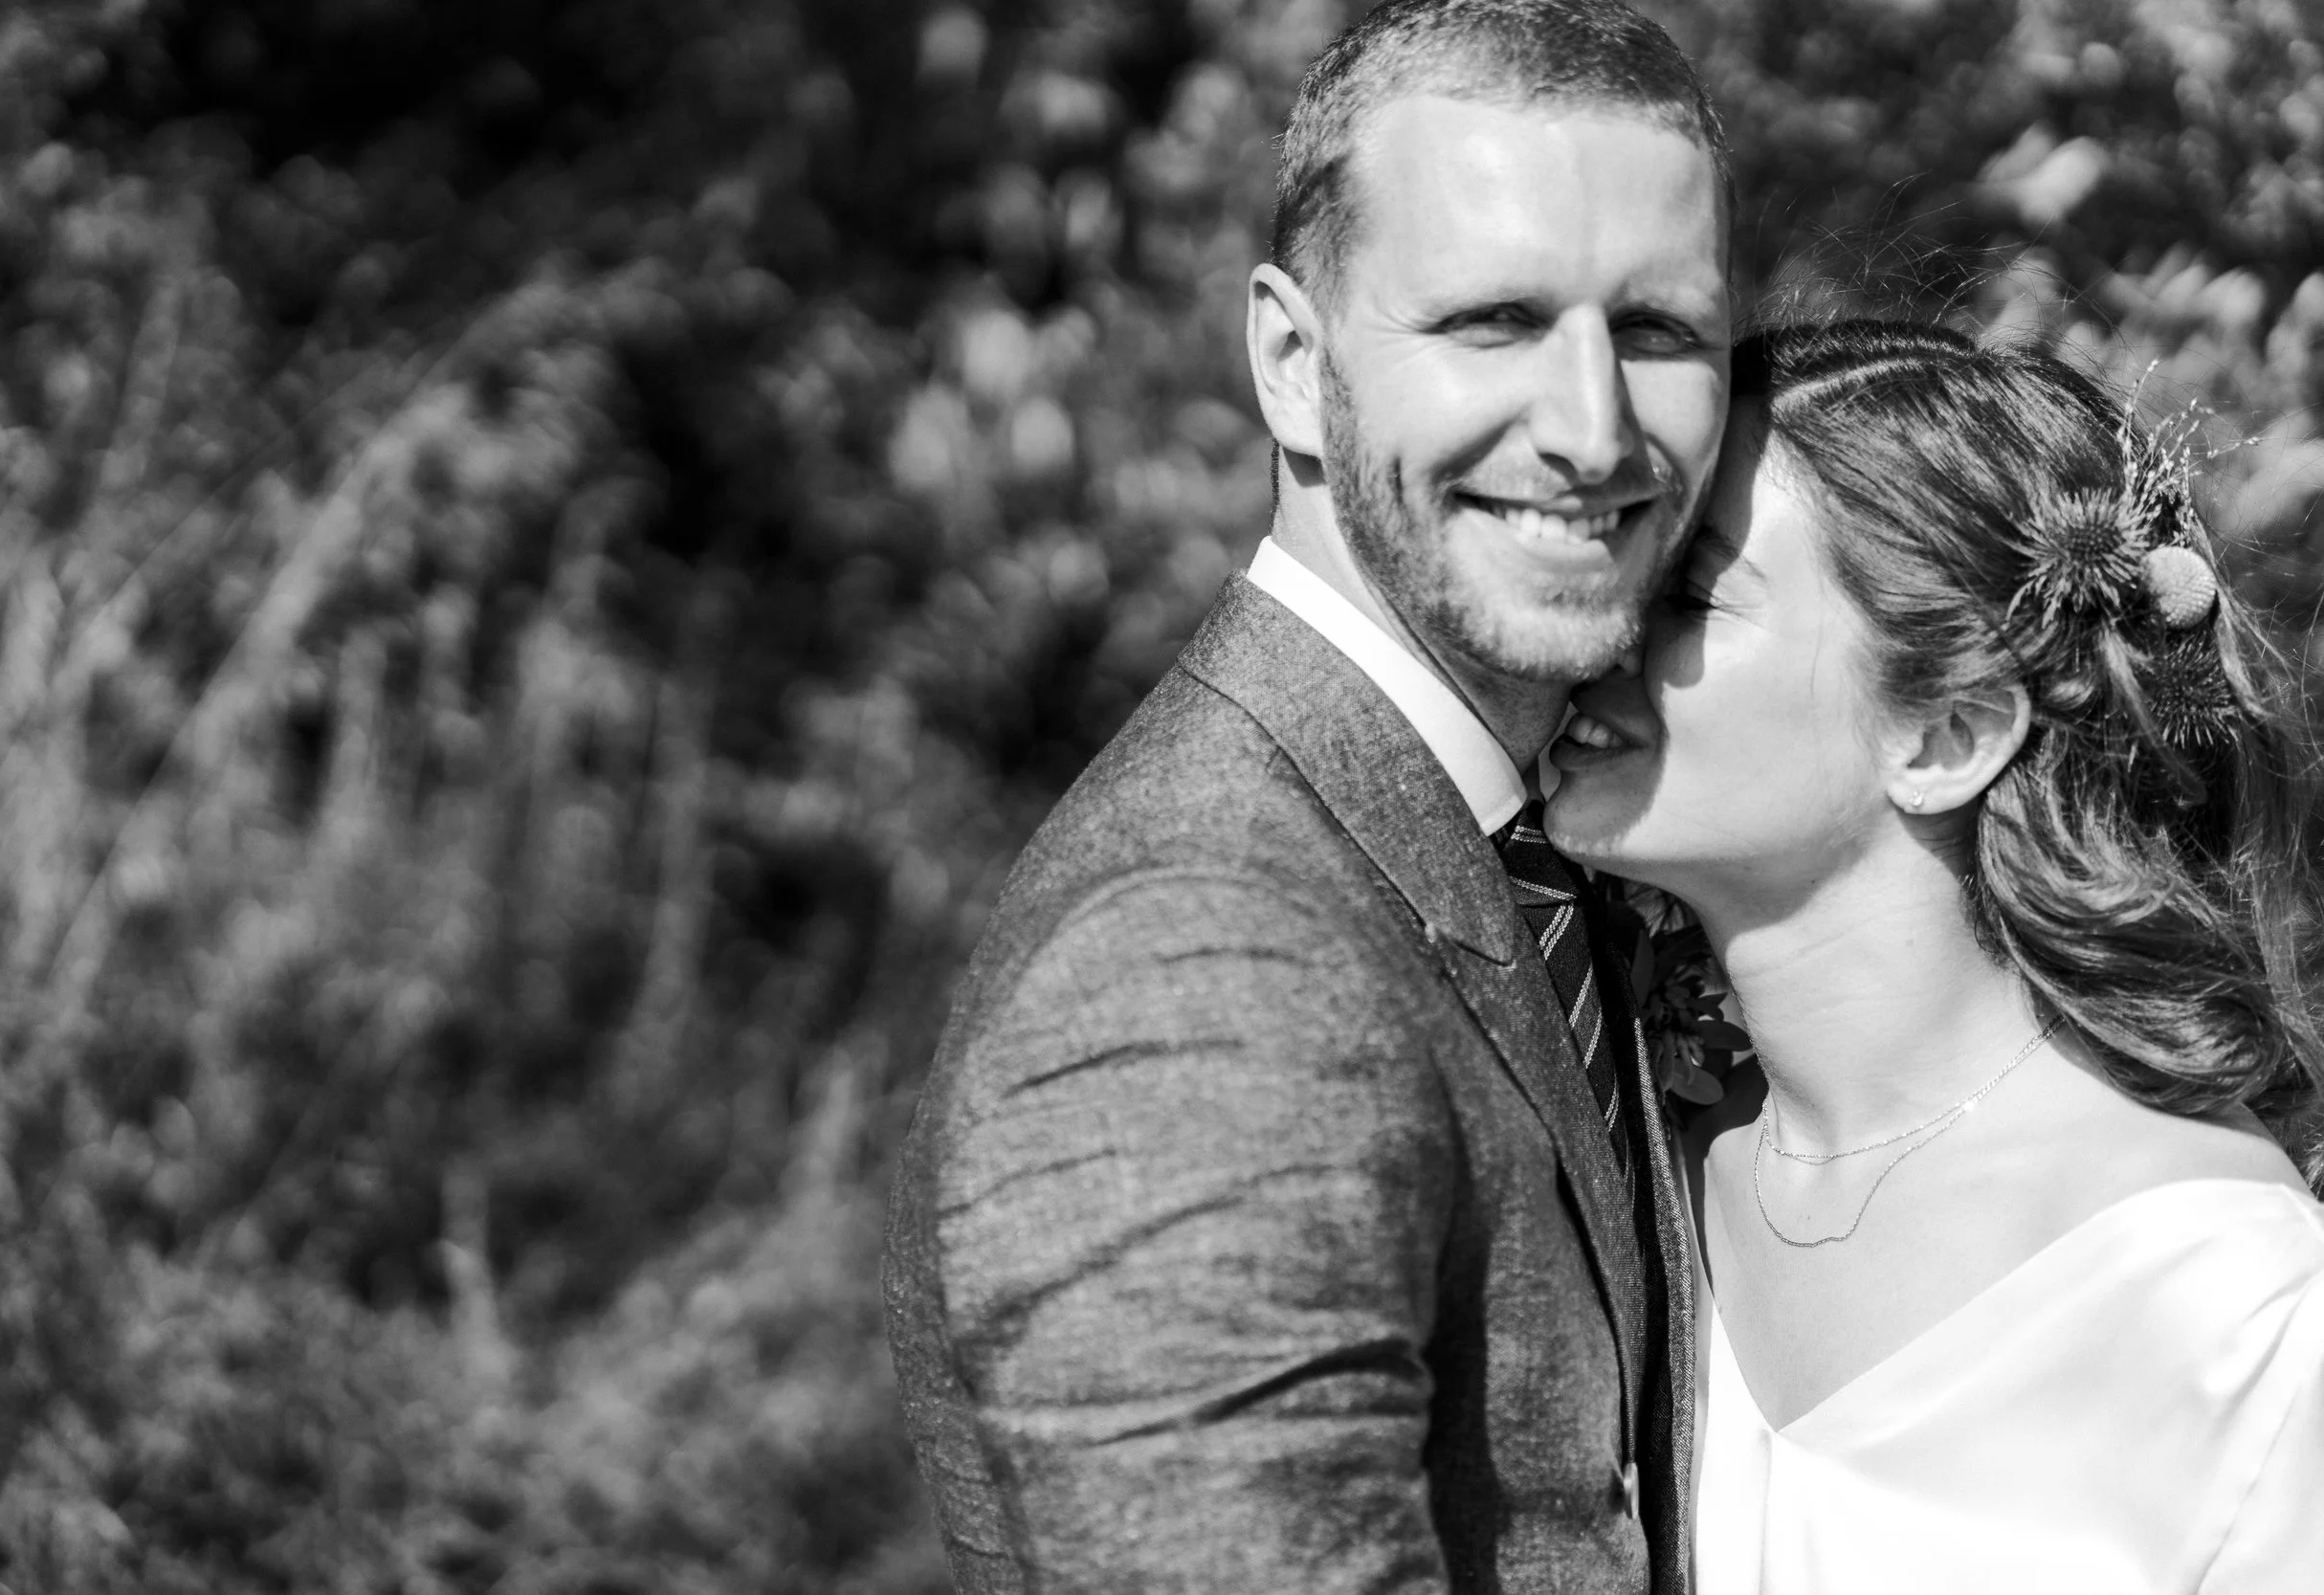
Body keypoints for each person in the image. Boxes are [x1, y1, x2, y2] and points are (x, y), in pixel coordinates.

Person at [881, 0, 1732, 1588]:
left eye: (1660, 332)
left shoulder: (1569, 841)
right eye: (1492, 321)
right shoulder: (1197, 958)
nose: (1593, 428)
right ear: (1291, 361)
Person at [1547, 319, 2324, 1592]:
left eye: (1684, 595)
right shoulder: (1628, 1161)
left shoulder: (2236, 1313)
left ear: (1946, 734)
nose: (1592, 632)